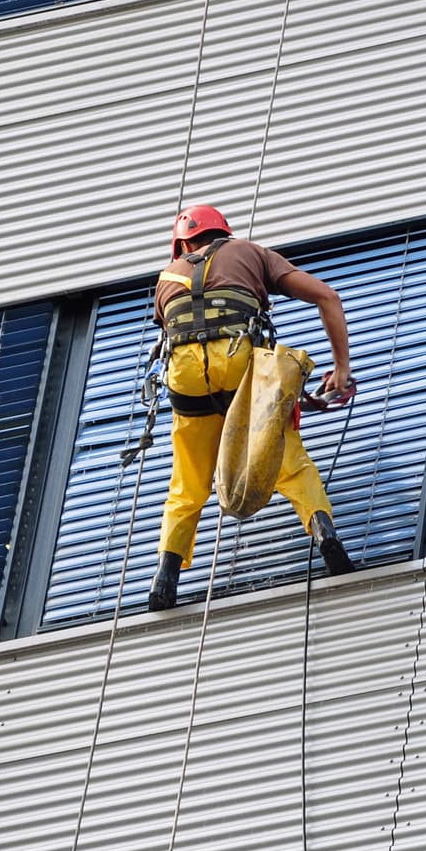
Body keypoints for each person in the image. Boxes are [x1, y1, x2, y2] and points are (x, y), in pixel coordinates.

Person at [147, 204, 357, 611]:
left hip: (187, 376)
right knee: (288, 460)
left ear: (184, 243)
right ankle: (324, 532)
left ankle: (166, 574)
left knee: (187, 483)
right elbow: (326, 297)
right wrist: (341, 368)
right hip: (240, 360)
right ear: (222, 232)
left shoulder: (166, 277)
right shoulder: (251, 253)